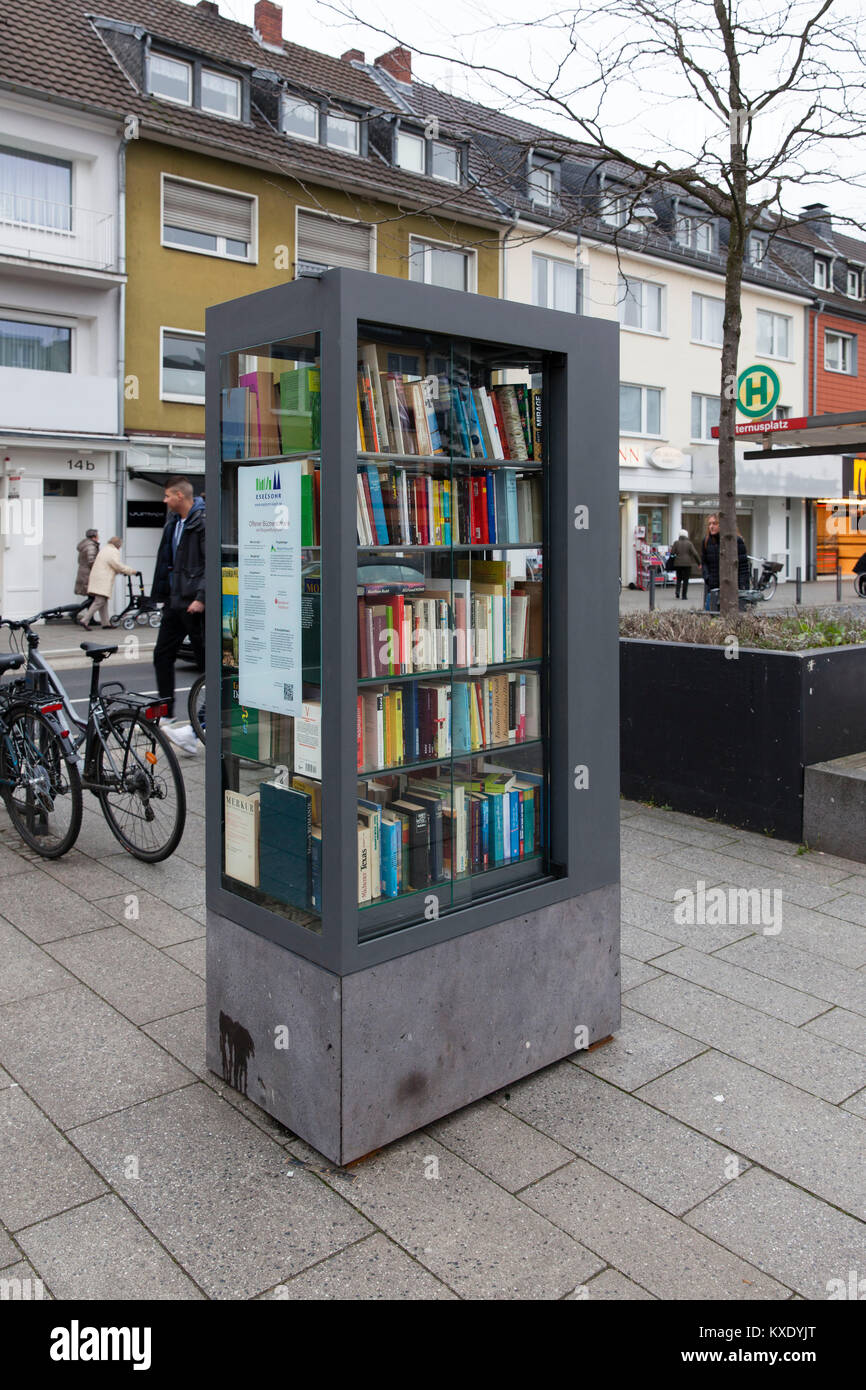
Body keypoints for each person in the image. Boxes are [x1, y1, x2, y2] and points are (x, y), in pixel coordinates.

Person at [151, 477, 205, 755]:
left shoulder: (202, 521)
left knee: (208, 667)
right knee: (162, 654)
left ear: (181, 496)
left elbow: (212, 562)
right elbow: (165, 561)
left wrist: (202, 598)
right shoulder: (174, 522)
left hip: (194, 603)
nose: (165, 500)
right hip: (175, 602)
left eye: (168, 495)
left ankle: (198, 730)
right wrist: (159, 597)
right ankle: (167, 713)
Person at [77, 536, 136, 629]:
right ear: (118, 545)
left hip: (98, 577)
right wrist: (132, 571)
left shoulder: (105, 549)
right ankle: (85, 620)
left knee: (103, 601)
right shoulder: (113, 551)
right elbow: (116, 565)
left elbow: (110, 565)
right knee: (99, 601)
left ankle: (105, 623)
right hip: (103, 578)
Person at [701, 514, 751, 610]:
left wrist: (743, 588)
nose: (711, 526)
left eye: (715, 523)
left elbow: (743, 567)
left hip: (732, 588)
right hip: (713, 587)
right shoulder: (706, 541)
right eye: (709, 524)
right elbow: (704, 562)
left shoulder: (736, 541)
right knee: (711, 616)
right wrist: (707, 577)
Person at [668, 529, 701, 600]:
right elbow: (695, 554)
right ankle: (684, 595)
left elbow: (672, 554)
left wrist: (673, 559)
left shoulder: (676, 543)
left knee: (679, 579)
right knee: (686, 580)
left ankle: (677, 592)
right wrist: (699, 563)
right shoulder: (689, 543)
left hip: (678, 563)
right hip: (687, 564)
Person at [75, 529, 99, 598]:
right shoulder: (91, 546)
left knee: (92, 597)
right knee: (93, 597)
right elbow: (91, 561)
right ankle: (90, 609)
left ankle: (90, 609)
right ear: (94, 537)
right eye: (98, 535)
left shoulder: (86, 545)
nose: (98, 537)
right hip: (88, 574)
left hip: (84, 573)